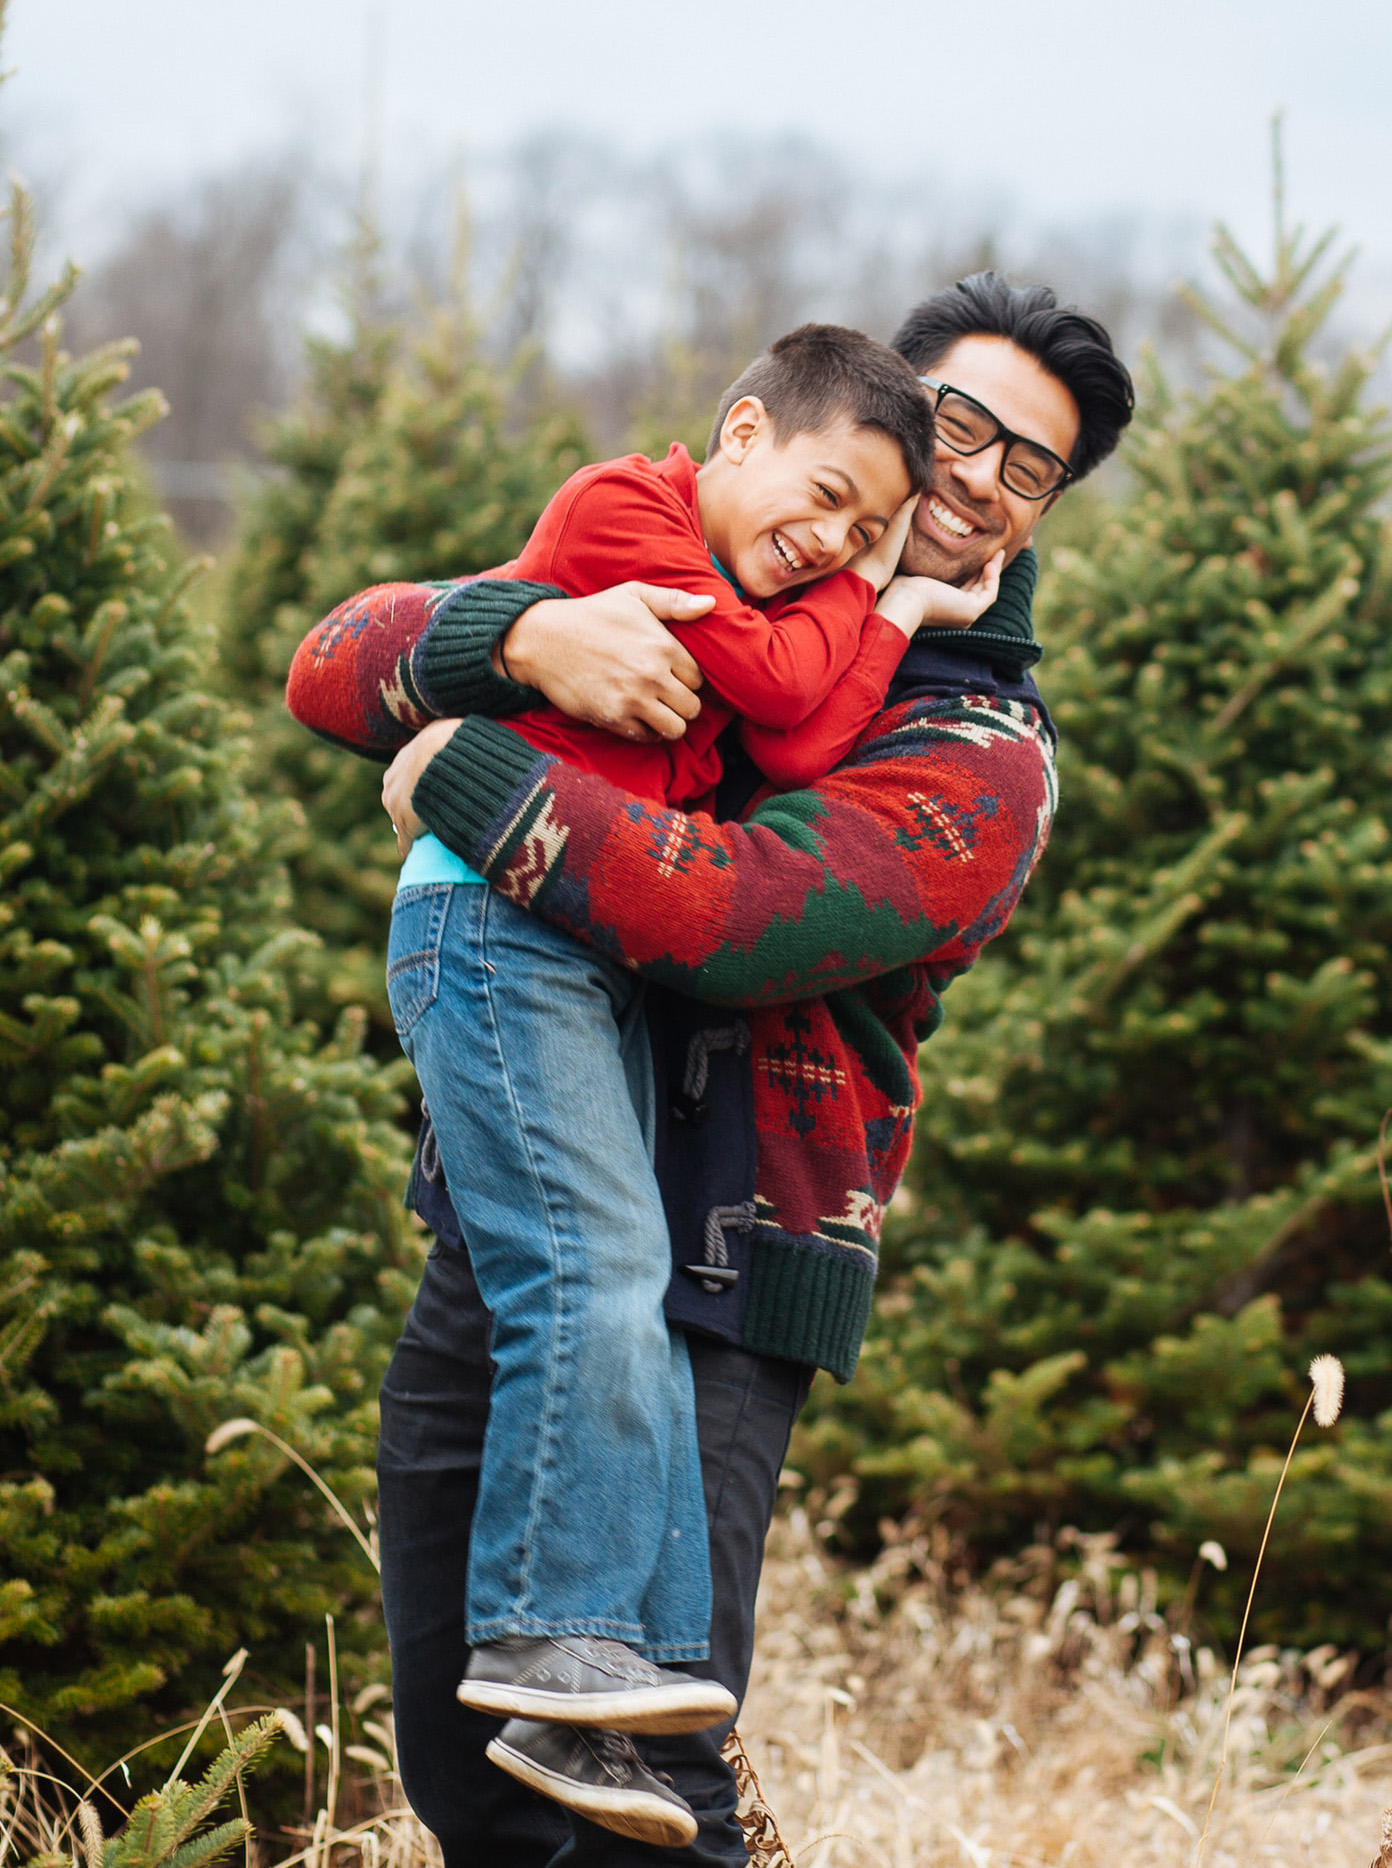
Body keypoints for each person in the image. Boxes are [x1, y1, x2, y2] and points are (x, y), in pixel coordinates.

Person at [285, 273, 1135, 1867]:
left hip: (721, 1289)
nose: (975, 475)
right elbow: (337, 656)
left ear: (1043, 514)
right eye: (956, 423)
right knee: (462, 1766)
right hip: (511, 1237)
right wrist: (527, 635)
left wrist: (460, 760)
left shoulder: (981, 754)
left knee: (642, 1805)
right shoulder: (714, 575)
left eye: (1030, 466)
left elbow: (728, 918)